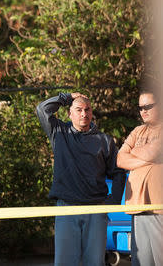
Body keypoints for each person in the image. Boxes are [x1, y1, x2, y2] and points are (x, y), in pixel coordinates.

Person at [36, 92, 126, 266]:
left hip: (96, 211)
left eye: (87, 110)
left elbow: (118, 173)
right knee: (65, 262)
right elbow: (42, 109)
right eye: (78, 110)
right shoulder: (59, 132)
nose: (84, 114)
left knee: (94, 262)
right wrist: (67, 96)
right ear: (70, 113)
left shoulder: (104, 140)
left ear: (92, 112)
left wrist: (113, 201)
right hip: (66, 209)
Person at [117, 87, 163, 266]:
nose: (143, 111)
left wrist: (134, 153)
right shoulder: (137, 131)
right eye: (141, 108)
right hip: (138, 207)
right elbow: (120, 159)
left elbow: (154, 151)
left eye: (148, 106)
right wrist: (149, 161)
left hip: (159, 208)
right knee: (142, 262)